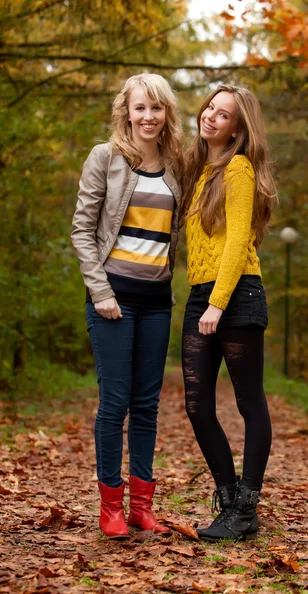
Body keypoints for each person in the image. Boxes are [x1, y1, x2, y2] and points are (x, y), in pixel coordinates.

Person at [71, 74, 183, 539]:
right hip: (112, 298)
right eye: (141, 108)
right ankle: (110, 506)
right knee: (114, 403)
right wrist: (100, 292)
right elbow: (82, 229)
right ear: (127, 111)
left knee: (147, 406)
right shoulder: (106, 157)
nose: (148, 117)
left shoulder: (178, 164)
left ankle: (141, 507)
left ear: (167, 113)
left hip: (157, 301)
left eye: (157, 108)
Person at [180, 84, 278, 542]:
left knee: (248, 402)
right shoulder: (199, 169)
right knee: (197, 406)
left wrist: (218, 302)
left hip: (236, 295)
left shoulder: (237, 169)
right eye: (209, 108)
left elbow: (239, 241)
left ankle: (247, 507)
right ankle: (230, 497)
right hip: (202, 295)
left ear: (237, 128)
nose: (211, 117)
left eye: (223, 115)